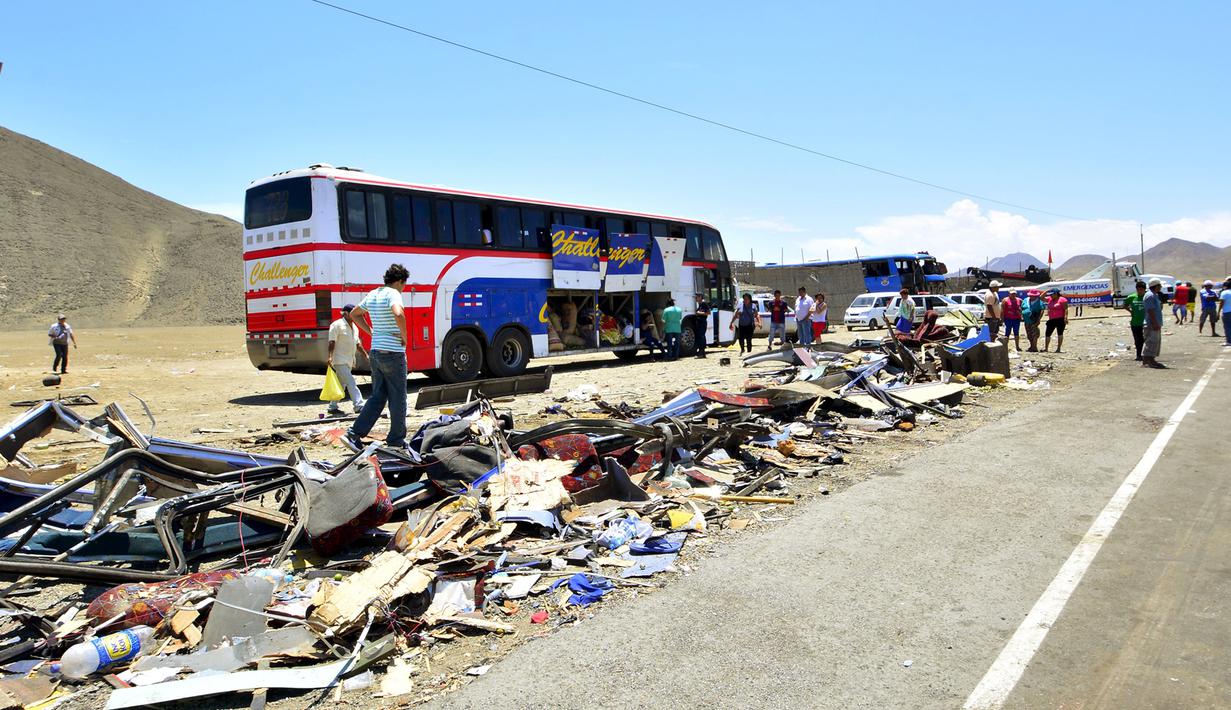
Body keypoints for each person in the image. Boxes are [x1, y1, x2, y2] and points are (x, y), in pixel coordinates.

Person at [347, 264, 410, 449]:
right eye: (404, 284)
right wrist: (404, 336)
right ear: (399, 281)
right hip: (393, 353)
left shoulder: (374, 293)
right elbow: (399, 313)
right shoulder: (393, 293)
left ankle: (354, 433)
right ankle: (396, 440)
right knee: (398, 398)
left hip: (376, 353)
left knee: (378, 396)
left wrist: (371, 332)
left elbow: (354, 314)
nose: (404, 288)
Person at [327, 304, 367, 414]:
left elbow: (358, 344)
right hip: (339, 360)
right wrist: (330, 356)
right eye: (353, 313)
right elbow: (332, 341)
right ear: (346, 313)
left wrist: (366, 356)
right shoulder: (336, 325)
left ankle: (332, 406)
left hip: (349, 360)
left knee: (341, 383)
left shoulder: (354, 327)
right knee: (351, 381)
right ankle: (358, 405)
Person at [1142, 278, 1166, 367]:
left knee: (1154, 342)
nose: (1161, 287)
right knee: (1151, 342)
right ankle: (1149, 360)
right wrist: (1155, 323)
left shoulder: (1154, 295)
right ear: (1156, 286)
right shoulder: (1150, 296)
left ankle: (1150, 360)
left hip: (1155, 322)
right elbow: (1150, 310)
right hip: (1151, 323)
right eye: (1160, 286)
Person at [1123, 281, 1147, 361]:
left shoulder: (1147, 297)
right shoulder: (1131, 297)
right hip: (1135, 322)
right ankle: (1138, 355)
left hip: (1146, 322)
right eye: (1138, 289)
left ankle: (1147, 354)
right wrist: (1131, 311)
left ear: (1144, 290)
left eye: (1141, 290)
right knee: (1137, 339)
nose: (1140, 291)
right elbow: (1125, 305)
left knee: (1145, 339)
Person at [1043, 288, 1068, 353]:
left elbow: (1065, 309)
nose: (1051, 296)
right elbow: (1041, 297)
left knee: (1060, 333)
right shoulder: (1050, 299)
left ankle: (1058, 348)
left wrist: (1065, 317)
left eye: (1052, 294)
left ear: (1056, 294)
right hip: (1051, 319)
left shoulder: (1062, 300)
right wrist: (1046, 290)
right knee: (1047, 333)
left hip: (1060, 319)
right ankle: (1046, 348)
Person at [692, 292, 711, 359]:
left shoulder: (703, 303)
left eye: (696, 297)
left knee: (701, 337)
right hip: (699, 322)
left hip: (702, 322)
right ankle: (702, 352)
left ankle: (701, 353)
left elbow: (708, 312)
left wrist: (699, 313)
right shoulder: (700, 304)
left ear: (700, 297)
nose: (695, 299)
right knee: (700, 337)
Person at [1221, 279, 1231, 347]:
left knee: (1227, 326)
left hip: (1227, 311)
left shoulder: (1224, 292)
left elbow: (1222, 303)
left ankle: (1229, 341)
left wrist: (1218, 312)